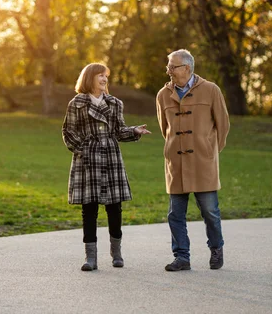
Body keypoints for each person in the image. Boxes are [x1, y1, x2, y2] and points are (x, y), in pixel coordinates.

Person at [63, 63, 151, 271]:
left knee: (114, 207)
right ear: (89, 78)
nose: (104, 79)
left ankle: (116, 252)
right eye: (100, 75)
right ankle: (90, 258)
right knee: (89, 208)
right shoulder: (76, 103)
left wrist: (134, 131)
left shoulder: (114, 103)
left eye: (106, 76)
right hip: (88, 160)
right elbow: (68, 132)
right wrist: (85, 148)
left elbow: (119, 131)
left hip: (111, 159)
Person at [156, 49, 230, 271]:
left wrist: (209, 150)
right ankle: (182, 257)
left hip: (202, 163)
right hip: (176, 163)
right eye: (168, 66)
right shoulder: (162, 95)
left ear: (186, 68)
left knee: (210, 212)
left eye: (172, 66)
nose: (168, 70)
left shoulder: (211, 90)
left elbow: (223, 126)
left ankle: (216, 249)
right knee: (175, 214)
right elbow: (164, 129)